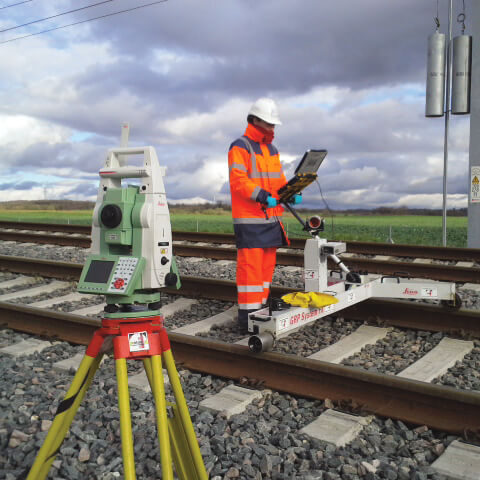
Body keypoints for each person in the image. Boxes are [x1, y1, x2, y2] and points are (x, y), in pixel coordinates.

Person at [227, 98, 302, 332]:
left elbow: (278, 179)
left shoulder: (271, 149)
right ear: (255, 120)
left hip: (270, 219)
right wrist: (261, 196)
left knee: (265, 271)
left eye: (273, 124)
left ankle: (260, 311)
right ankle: (247, 320)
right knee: (251, 272)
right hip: (250, 220)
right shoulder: (240, 146)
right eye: (268, 124)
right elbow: (238, 181)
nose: (272, 129)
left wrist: (288, 194)